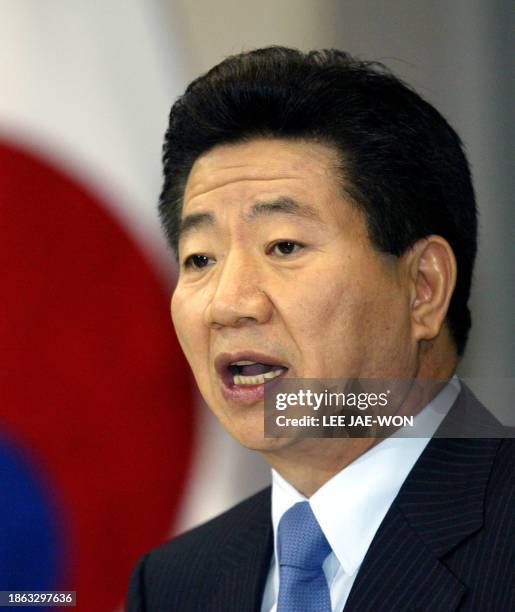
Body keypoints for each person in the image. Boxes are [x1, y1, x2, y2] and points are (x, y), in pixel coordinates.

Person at [127, 47, 514, 611]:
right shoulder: (172, 584)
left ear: (423, 288)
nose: (228, 304)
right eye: (200, 259)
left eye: (284, 246)